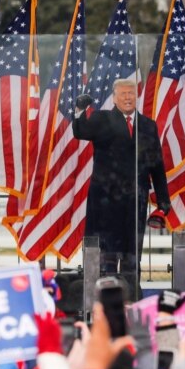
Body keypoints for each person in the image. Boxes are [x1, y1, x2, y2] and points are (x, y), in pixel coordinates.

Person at [73, 78, 170, 298]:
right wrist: (80, 109)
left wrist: (163, 201)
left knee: (131, 255)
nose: (127, 97)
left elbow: (156, 164)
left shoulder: (148, 125)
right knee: (105, 255)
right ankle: (102, 300)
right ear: (115, 98)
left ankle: (132, 299)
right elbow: (80, 132)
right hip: (105, 202)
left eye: (131, 93)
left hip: (135, 200)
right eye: (123, 94)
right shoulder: (101, 119)